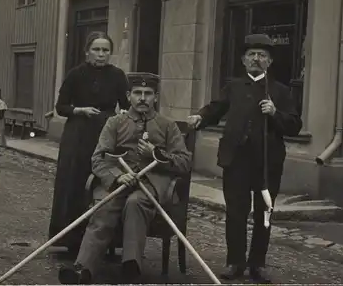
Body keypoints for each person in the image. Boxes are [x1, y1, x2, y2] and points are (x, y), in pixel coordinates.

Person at [187, 34, 302, 283]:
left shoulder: (281, 91)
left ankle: (257, 264)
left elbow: (294, 126)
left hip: (267, 163)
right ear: (243, 60)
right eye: (251, 55)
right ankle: (234, 262)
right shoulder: (233, 87)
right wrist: (200, 117)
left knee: (264, 213)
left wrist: (275, 113)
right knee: (236, 212)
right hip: (236, 160)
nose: (256, 59)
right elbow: (215, 108)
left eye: (262, 55)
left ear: (269, 62)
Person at [58, 72, 192, 284]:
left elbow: (184, 162)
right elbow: (98, 159)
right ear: (129, 95)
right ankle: (82, 269)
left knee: (135, 202)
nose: (142, 98)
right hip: (117, 181)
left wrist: (156, 153)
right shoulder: (114, 123)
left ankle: (131, 267)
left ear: (155, 97)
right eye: (137, 93)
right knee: (104, 205)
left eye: (148, 94)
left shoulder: (167, 126)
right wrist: (118, 176)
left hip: (152, 184)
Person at [48, 31, 130, 257]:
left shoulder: (118, 76)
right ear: (87, 51)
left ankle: (106, 241)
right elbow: (61, 106)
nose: (101, 54)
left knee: (104, 182)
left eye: (105, 50)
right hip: (78, 134)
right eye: (96, 49)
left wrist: (122, 117)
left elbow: (125, 105)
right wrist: (80, 110)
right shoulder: (75, 75)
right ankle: (72, 241)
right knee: (75, 183)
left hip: (106, 133)